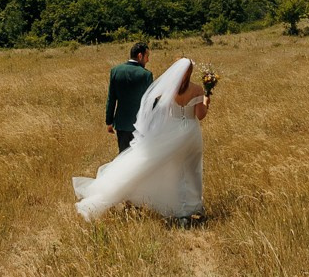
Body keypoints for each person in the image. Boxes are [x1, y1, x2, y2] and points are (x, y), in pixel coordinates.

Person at [73, 56, 209, 223]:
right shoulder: (197, 90)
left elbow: (162, 112)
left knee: (172, 171)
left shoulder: (169, 89)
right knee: (191, 169)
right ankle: (191, 206)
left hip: (172, 131)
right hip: (190, 132)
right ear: (191, 71)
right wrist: (207, 99)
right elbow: (200, 115)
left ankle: (179, 207)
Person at [105, 41, 153, 152]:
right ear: (140, 56)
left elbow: (111, 98)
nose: (148, 60)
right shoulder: (146, 75)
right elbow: (150, 101)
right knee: (140, 157)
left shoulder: (115, 71)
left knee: (123, 157)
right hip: (140, 124)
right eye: (147, 56)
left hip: (122, 123)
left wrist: (109, 121)